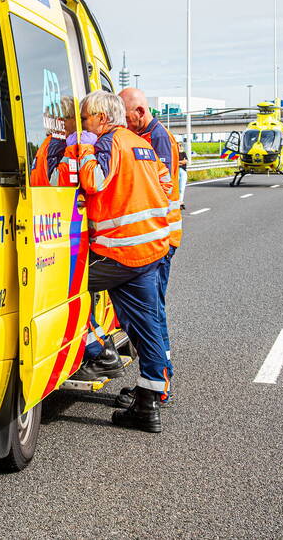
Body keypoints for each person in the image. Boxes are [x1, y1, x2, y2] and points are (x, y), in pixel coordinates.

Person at [67, 91, 173, 432]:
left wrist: (83, 149)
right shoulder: (141, 144)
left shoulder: (108, 142)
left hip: (119, 251)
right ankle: (149, 404)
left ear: (100, 118)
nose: (83, 125)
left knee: (61, 286)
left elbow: (94, 181)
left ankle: (98, 350)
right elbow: (166, 185)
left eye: (85, 119)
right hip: (150, 249)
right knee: (147, 328)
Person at [117, 88, 182, 407]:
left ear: (140, 112)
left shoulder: (155, 140)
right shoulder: (148, 136)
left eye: (126, 117)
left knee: (151, 313)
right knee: (150, 312)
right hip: (157, 237)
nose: (123, 124)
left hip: (158, 240)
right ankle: (158, 381)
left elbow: (153, 191)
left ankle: (159, 384)